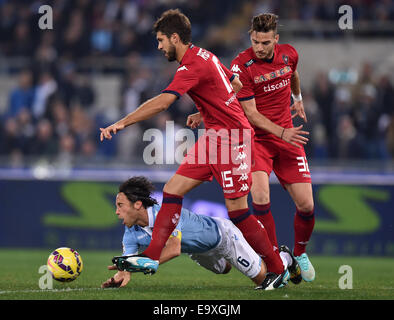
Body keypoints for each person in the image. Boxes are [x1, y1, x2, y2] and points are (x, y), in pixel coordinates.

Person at [99, 9, 301, 289]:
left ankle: (278, 268)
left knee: (238, 212)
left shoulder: (191, 65)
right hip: (214, 136)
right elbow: (235, 84)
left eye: (161, 41)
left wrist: (122, 122)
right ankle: (151, 257)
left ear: (174, 37)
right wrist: (206, 112)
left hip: (232, 139)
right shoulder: (206, 55)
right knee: (172, 190)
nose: (159, 47)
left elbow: (163, 102)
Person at [229, 13, 315, 282]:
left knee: (307, 206)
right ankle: (277, 259)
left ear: (276, 40)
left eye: (265, 42)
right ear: (250, 37)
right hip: (257, 140)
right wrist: (282, 132)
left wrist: (297, 98)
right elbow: (251, 115)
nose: (260, 47)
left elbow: (293, 74)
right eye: (255, 41)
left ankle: (299, 253)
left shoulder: (289, 55)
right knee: (261, 198)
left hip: (288, 138)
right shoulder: (241, 65)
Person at [101, 176, 298, 290]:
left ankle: (284, 258)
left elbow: (174, 248)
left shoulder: (163, 213)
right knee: (224, 269)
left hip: (222, 237)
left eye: (120, 205)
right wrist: (122, 273)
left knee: (265, 280)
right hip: (197, 251)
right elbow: (127, 262)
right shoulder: (130, 233)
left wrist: (141, 263)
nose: (117, 211)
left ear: (137, 204)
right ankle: (249, 255)